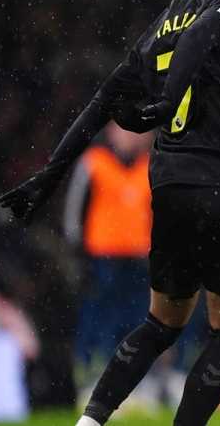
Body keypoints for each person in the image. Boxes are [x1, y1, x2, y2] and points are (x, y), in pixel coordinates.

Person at [0, 0, 220, 426]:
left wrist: (49, 174)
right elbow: (206, 32)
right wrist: (168, 102)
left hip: (171, 189)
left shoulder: (157, 27)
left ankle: (90, 420)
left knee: (160, 323)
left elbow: (101, 102)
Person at [62, 123, 153, 403]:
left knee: (136, 324)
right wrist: (80, 258)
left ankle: (130, 386)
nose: (132, 136)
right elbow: (73, 215)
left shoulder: (152, 167)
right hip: (101, 260)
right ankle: (90, 384)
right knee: (98, 322)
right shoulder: (93, 163)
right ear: (112, 131)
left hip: (139, 260)